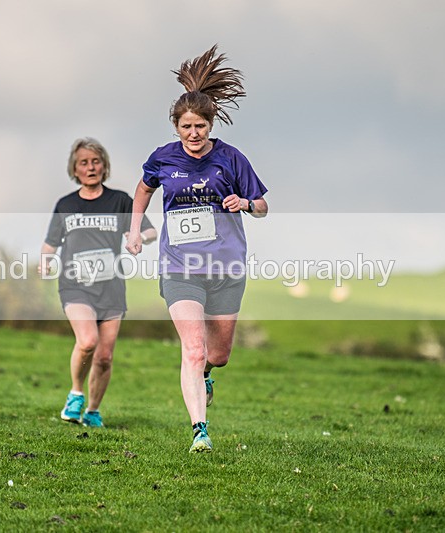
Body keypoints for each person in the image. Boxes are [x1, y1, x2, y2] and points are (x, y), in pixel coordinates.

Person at [126, 45, 269, 453]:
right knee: (192, 347)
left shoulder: (231, 159)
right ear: (176, 126)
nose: (193, 134)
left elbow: (262, 206)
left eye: (200, 127)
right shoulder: (162, 158)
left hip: (225, 267)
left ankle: (207, 373)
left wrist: (244, 203)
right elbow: (144, 189)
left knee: (217, 355)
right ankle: (200, 431)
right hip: (179, 267)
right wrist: (135, 231)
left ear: (210, 125)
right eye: (186, 127)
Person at [40, 137, 156, 428]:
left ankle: (92, 411)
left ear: (104, 166)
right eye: (83, 163)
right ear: (75, 169)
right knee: (88, 341)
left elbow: (150, 231)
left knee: (104, 357)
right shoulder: (65, 204)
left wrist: (137, 236)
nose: (90, 167)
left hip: (111, 287)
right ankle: (75, 393)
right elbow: (50, 245)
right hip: (75, 285)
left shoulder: (120, 201)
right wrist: (45, 261)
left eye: (95, 161)